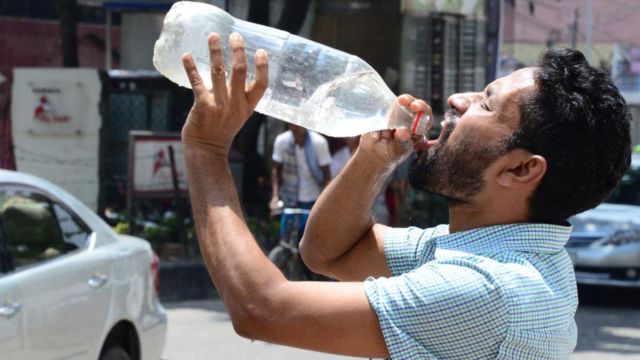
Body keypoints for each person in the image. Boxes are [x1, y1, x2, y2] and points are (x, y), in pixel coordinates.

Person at [180, 32, 631, 359]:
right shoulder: (491, 250)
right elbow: (326, 252)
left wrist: (207, 151)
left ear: (520, 169)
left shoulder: (487, 289)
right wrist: (373, 159)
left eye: (486, 104)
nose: (457, 100)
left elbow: (263, 309)